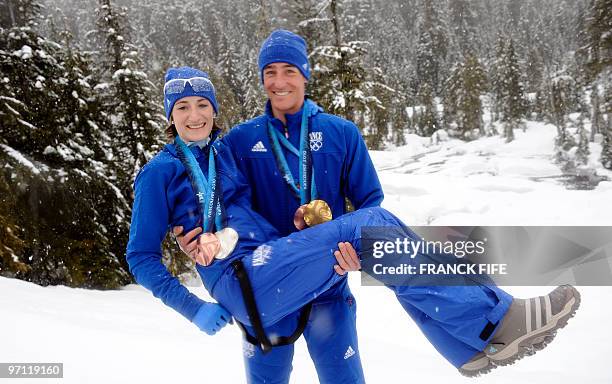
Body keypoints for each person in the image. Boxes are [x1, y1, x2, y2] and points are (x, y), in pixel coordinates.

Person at [126, 66, 581, 383]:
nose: (193, 115)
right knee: (374, 225)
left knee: (382, 252)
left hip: (269, 267)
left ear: (213, 108)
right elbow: (140, 257)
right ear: (169, 115)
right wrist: (193, 307)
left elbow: (246, 216)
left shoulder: (225, 154)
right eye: (181, 107)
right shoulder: (158, 173)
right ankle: (495, 321)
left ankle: (470, 348)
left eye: (202, 104)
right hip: (241, 281)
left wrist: (301, 225)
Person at [175, 29, 382, 384]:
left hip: (328, 284)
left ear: (305, 74)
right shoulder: (241, 139)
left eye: (289, 70)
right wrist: (189, 235)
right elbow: (212, 197)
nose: (279, 81)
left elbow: (371, 204)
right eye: (270, 72)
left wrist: (358, 252)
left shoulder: (341, 133)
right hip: (268, 287)